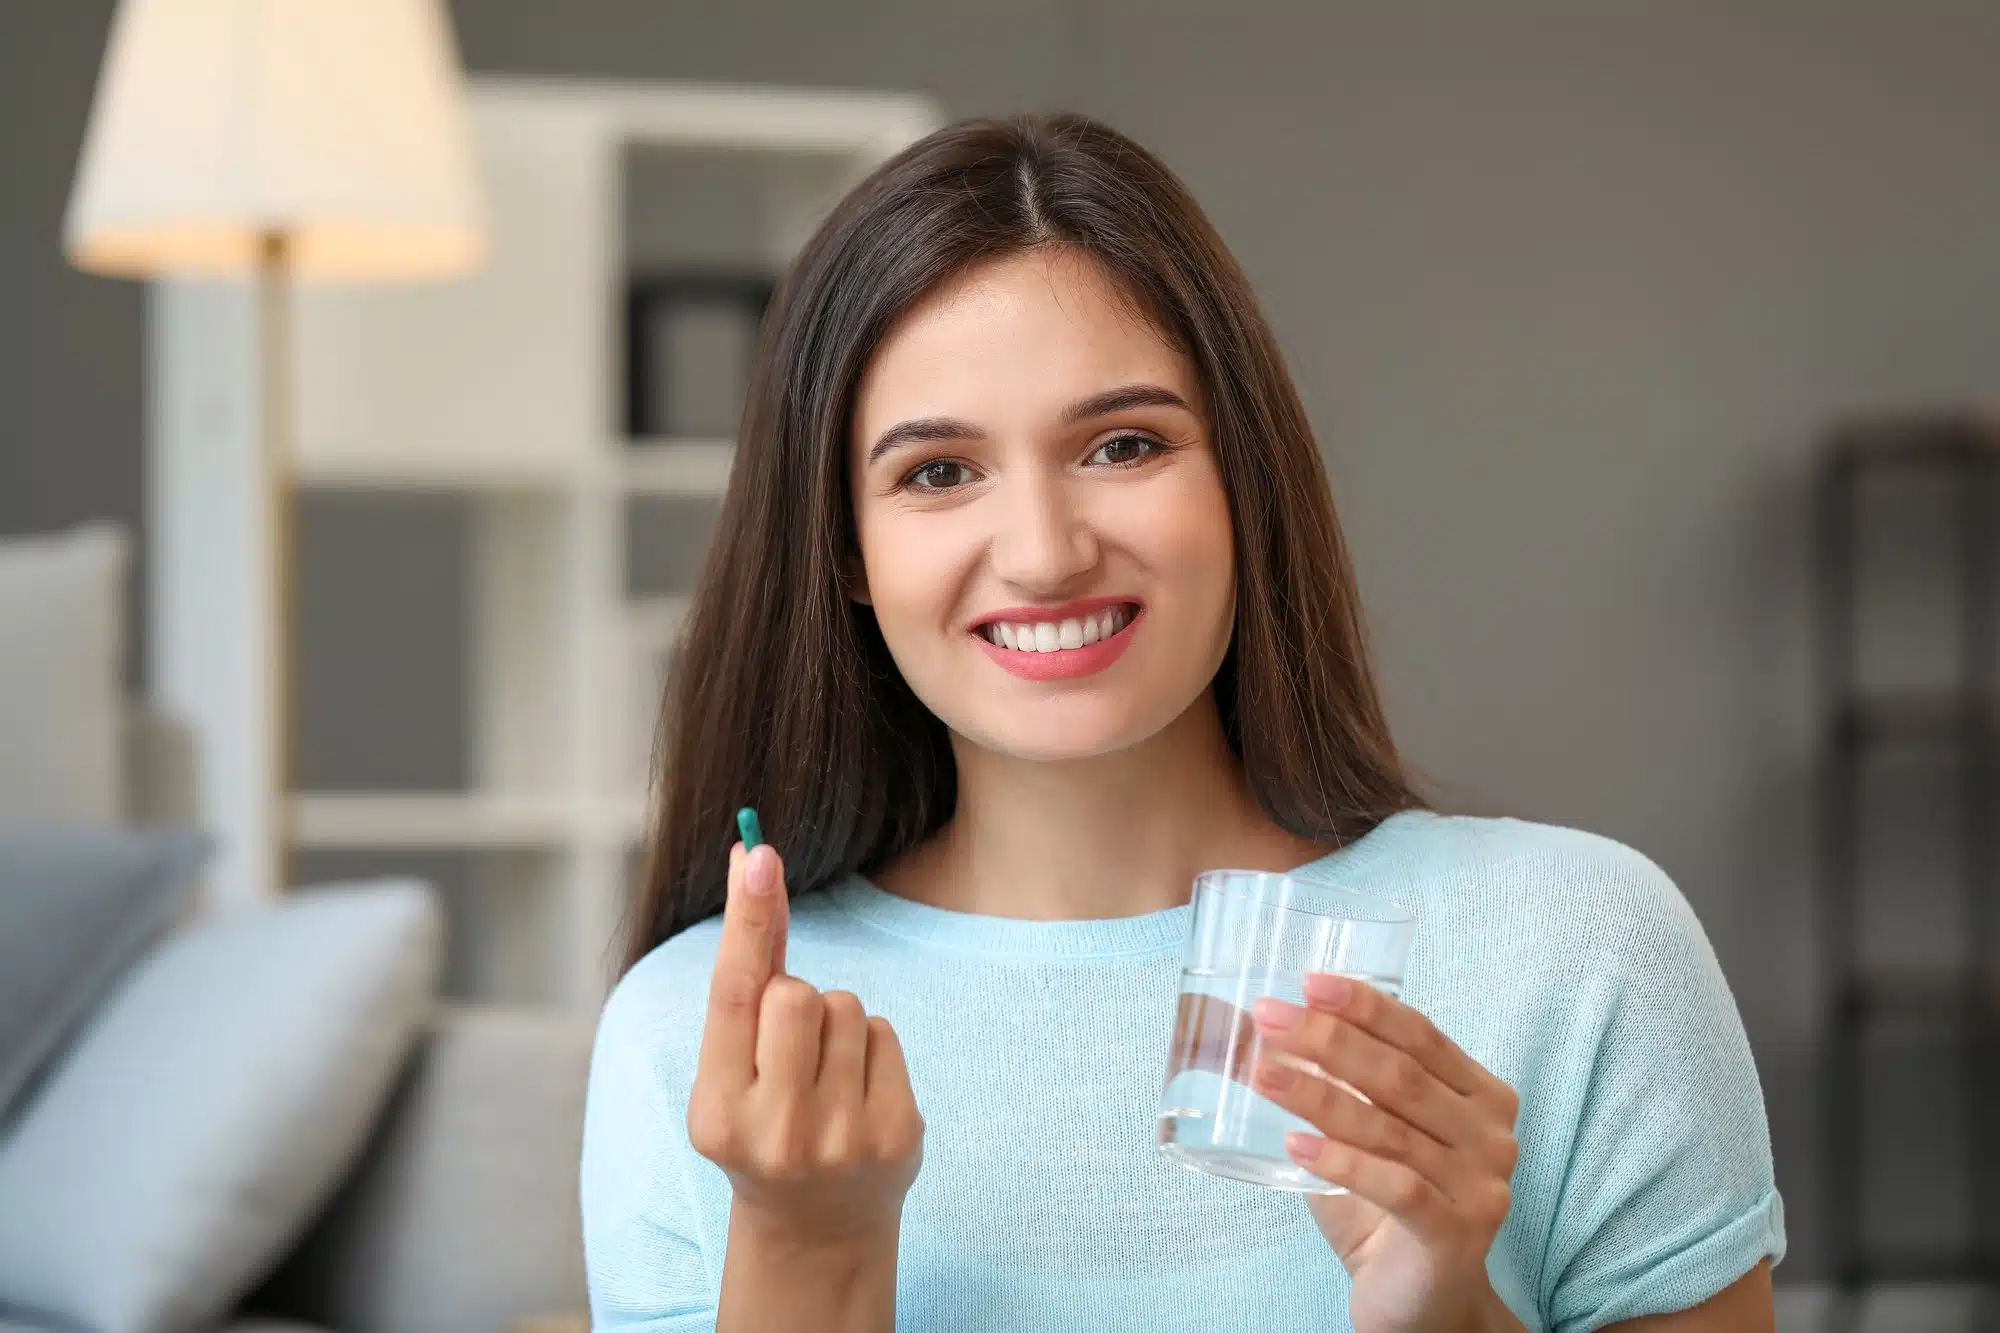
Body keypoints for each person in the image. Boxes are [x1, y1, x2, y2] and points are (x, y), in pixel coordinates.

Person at [580, 113, 1783, 1333]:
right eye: (937, 471)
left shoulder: (1574, 951)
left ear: (1239, 480)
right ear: (843, 544)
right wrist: (803, 1252)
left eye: (1123, 444)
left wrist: (1450, 1318)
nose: (1045, 553)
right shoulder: (696, 1046)